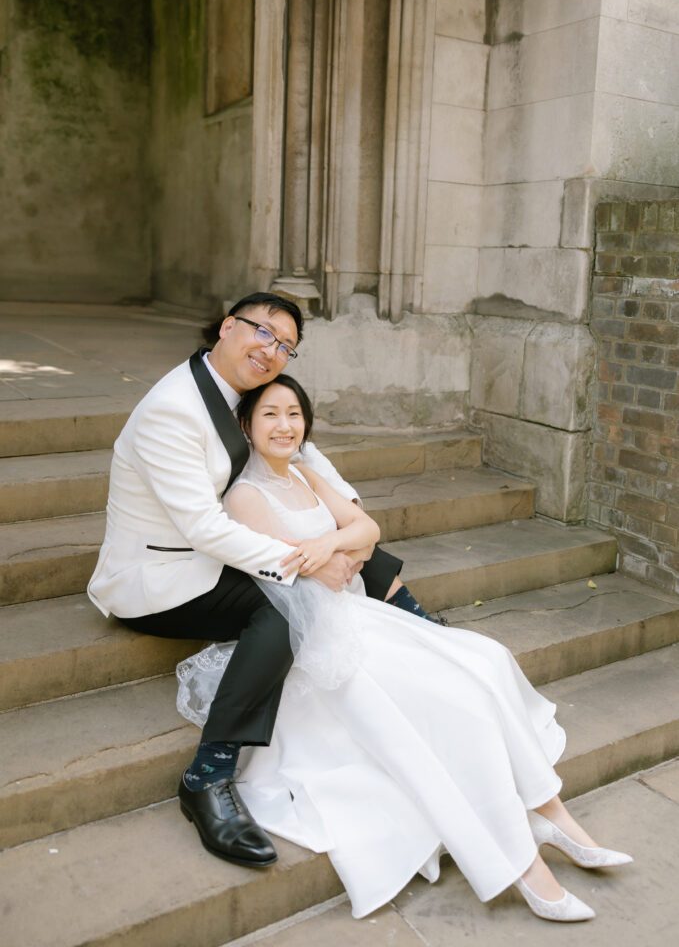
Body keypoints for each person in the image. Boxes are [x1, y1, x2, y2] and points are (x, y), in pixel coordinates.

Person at [176, 374, 634, 923]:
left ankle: (553, 816)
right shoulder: (246, 495)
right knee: (454, 701)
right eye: (270, 414)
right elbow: (304, 571)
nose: (285, 425)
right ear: (246, 426)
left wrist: (330, 543)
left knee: (484, 659)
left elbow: (365, 529)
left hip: (358, 613)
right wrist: (337, 548)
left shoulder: (305, 474)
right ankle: (522, 867)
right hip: (318, 639)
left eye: (294, 414)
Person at [88, 292, 418, 870]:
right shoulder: (173, 408)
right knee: (285, 601)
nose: (271, 350)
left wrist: (344, 523)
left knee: (340, 541)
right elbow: (205, 527)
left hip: (218, 549)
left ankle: (422, 631)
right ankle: (207, 774)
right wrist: (312, 558)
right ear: (226, 327)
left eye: (285, 345)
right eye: (262, 332)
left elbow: (308, 458)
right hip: (161, 576)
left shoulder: (246, 395)